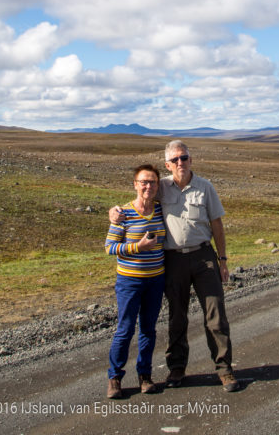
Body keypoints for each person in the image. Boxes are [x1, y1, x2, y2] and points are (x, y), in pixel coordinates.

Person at [109, 140, 240, 392]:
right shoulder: (162, 187)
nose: (181, 163)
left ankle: (224, 369)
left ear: (191, 160)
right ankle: (177, 369)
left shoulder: (205, 187)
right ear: (167, 164)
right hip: (173, 260)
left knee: (215, 315)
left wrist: (222, 260)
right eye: (176, 159)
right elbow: (139, 198)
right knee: (177, 316)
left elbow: (217, 225)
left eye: (185, 157)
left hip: (204, 258)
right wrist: (113, 212)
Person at [104, 164, 166, 399]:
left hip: (155, 280)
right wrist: (137, 247)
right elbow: (110, 247)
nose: (148, 186)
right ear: (135, 184)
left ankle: (145, 376)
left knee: (148, 330)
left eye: (152, 182)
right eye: (143, 182)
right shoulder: (123, 213)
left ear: (158, 186)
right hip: (129, 281)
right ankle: (115, 378)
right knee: (125, 329)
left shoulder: (161, 210)